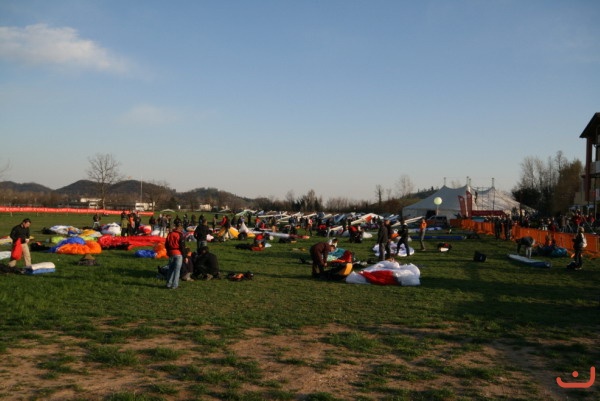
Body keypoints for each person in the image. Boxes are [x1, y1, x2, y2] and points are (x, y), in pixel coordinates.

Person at [165, 222, 185, 289]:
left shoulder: (170, 234)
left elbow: (166, 244)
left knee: (170, 269)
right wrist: (184, 255)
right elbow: (182, 246)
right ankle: (175, 285)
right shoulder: (180, 235)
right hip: (178, 253)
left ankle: (168, 284)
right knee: (177, 270)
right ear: (180, 227)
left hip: (171, 253)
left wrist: (168, 252)